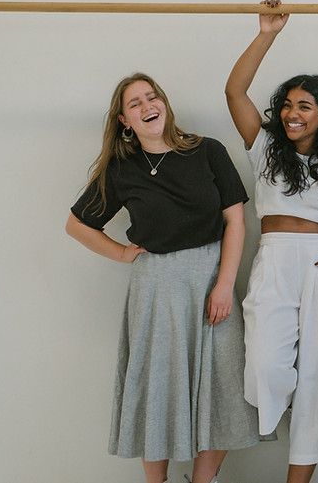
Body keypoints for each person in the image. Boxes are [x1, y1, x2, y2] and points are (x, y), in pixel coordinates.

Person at [65, 73, 259, 483]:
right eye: (135, 103)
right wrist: (120, 253)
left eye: (152, 97)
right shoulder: (121, 169)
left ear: (165, 104)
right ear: (124, 120)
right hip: (156, 287)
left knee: (223, 384)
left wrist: (224, 284)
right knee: (159, 388)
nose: (147, 106)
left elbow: (235, 221)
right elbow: (77, 225)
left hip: (211, 276)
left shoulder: (207, 151)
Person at [224, 0, 318, 483]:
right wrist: (267, 34)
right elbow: (234, 90)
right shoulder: (264, 147)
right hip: (275, 259)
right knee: (266, 366)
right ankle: (275, 422)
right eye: (287, 104)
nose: (291, 113)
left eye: (304, 106)